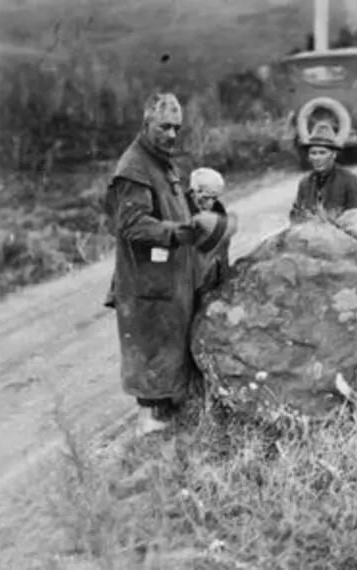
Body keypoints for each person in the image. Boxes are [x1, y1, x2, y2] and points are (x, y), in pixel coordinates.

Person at [103, 92, 201, 437]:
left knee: (166, 358)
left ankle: (163, 429)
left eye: (176, 128)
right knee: (151, 361)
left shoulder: (160, 161)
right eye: (164, 127)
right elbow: (131, 225)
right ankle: (150, 440)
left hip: (165, 282)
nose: (172, 135)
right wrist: (178, 232)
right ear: (147, 124)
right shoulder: (135, 167)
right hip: (147, 287)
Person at [289, 123, 357, 223]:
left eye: (322, 153)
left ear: (333, 155)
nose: (317, 158)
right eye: (313, 153)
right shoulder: (305, 184)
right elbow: (295, 216)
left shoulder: (351, 181)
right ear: (308, 157)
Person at [187, 167, 232, 310]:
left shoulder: (218, 210)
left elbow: (223, 252)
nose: (210, 203)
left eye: (215, 197)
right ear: (194, 191)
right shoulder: (180, 210)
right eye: (206, 198)